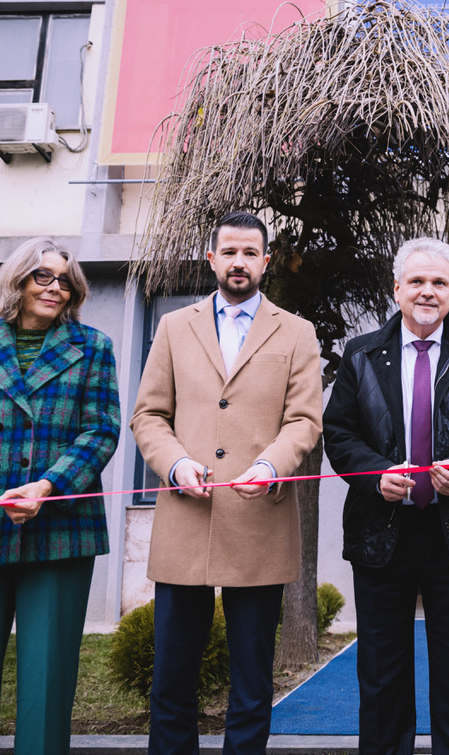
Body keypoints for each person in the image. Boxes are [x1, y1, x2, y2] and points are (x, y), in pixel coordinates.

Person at [130, 211, 323, 755]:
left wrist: (271, 466)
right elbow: (149, 415)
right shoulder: (174, 326)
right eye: (230, 252)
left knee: (252, 680)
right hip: (185, 521)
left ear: (266, 261)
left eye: (250, 253)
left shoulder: (297, 331)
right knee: (172, 677)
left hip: (261, 522)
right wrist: (174, 464)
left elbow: (304, 421)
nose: (240, 262)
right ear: (212, 258)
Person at [0, 237, 120, 755]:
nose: (55, 288)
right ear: (18, 280)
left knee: (46, 683)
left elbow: (101, 431)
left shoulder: (93, 347)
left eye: (65, 281)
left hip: (59, 530)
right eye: (43, 276)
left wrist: (48, 485)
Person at [323, 237, 449, 755]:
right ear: (397, 289)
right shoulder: (361, 354)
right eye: (417, 281)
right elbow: (338, 434)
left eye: (439, 282)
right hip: (380, 530)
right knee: (381, 672)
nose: (428, 291)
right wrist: (375, 476)